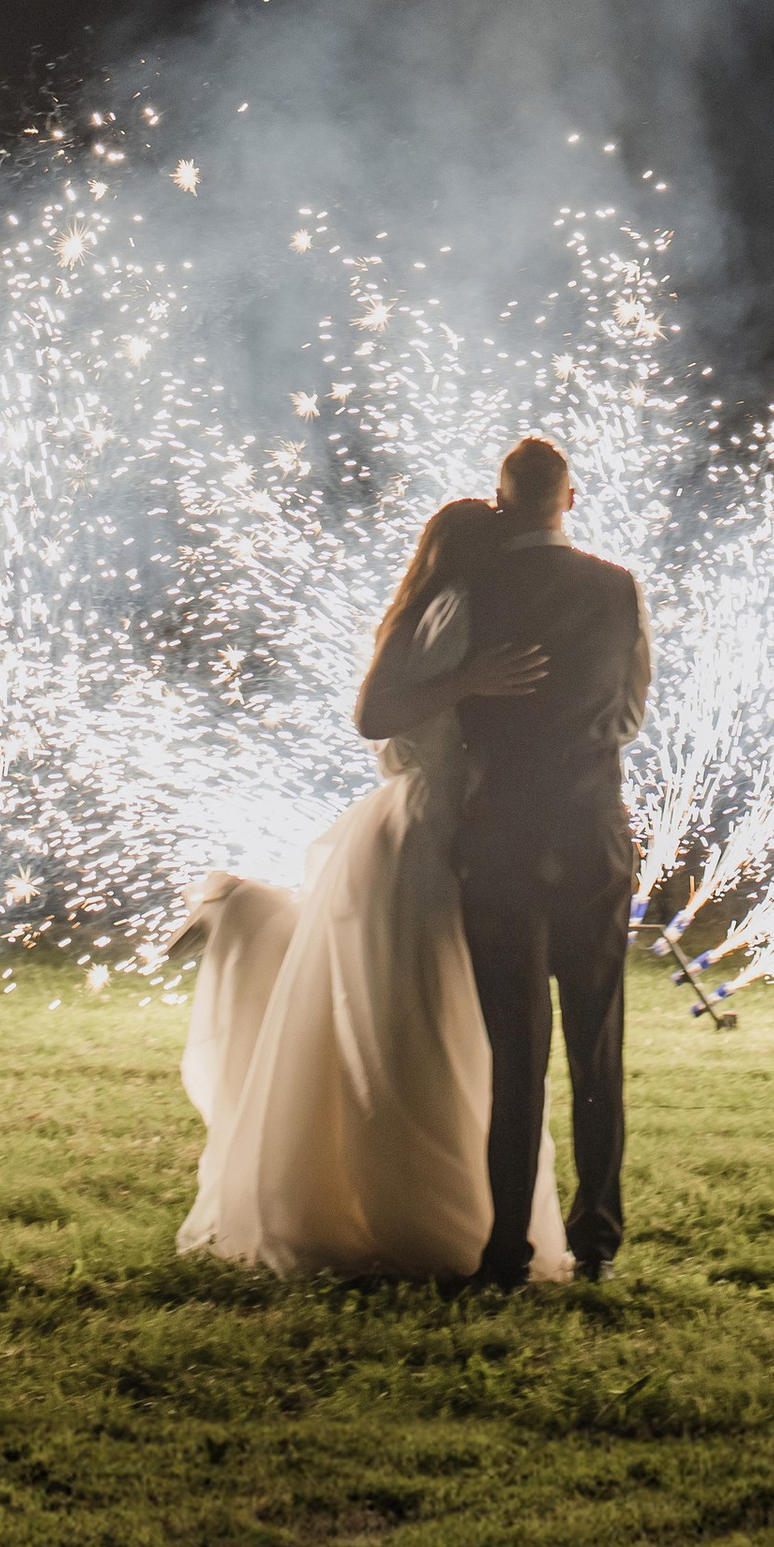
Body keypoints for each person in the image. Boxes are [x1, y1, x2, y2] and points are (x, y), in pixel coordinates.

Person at [173, 496, 564, 1280]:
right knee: (409, 1015)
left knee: (444, 1017)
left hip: (470, 826)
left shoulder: (477, 608)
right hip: (420, 832)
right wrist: (470, 681)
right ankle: (420, 1212)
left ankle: (461, 1207)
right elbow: (374, 715)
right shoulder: (440, 607)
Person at [375, 436, 652, 1289]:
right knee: (597, 1044)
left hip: (500, 838)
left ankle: (506, 1248)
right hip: (592, 834)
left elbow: (384, 710)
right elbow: (630, 716)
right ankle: (597, 1238)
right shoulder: (619, 588)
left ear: (501, 503)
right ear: (573, 498)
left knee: (516, 1050)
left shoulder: (466, 591)